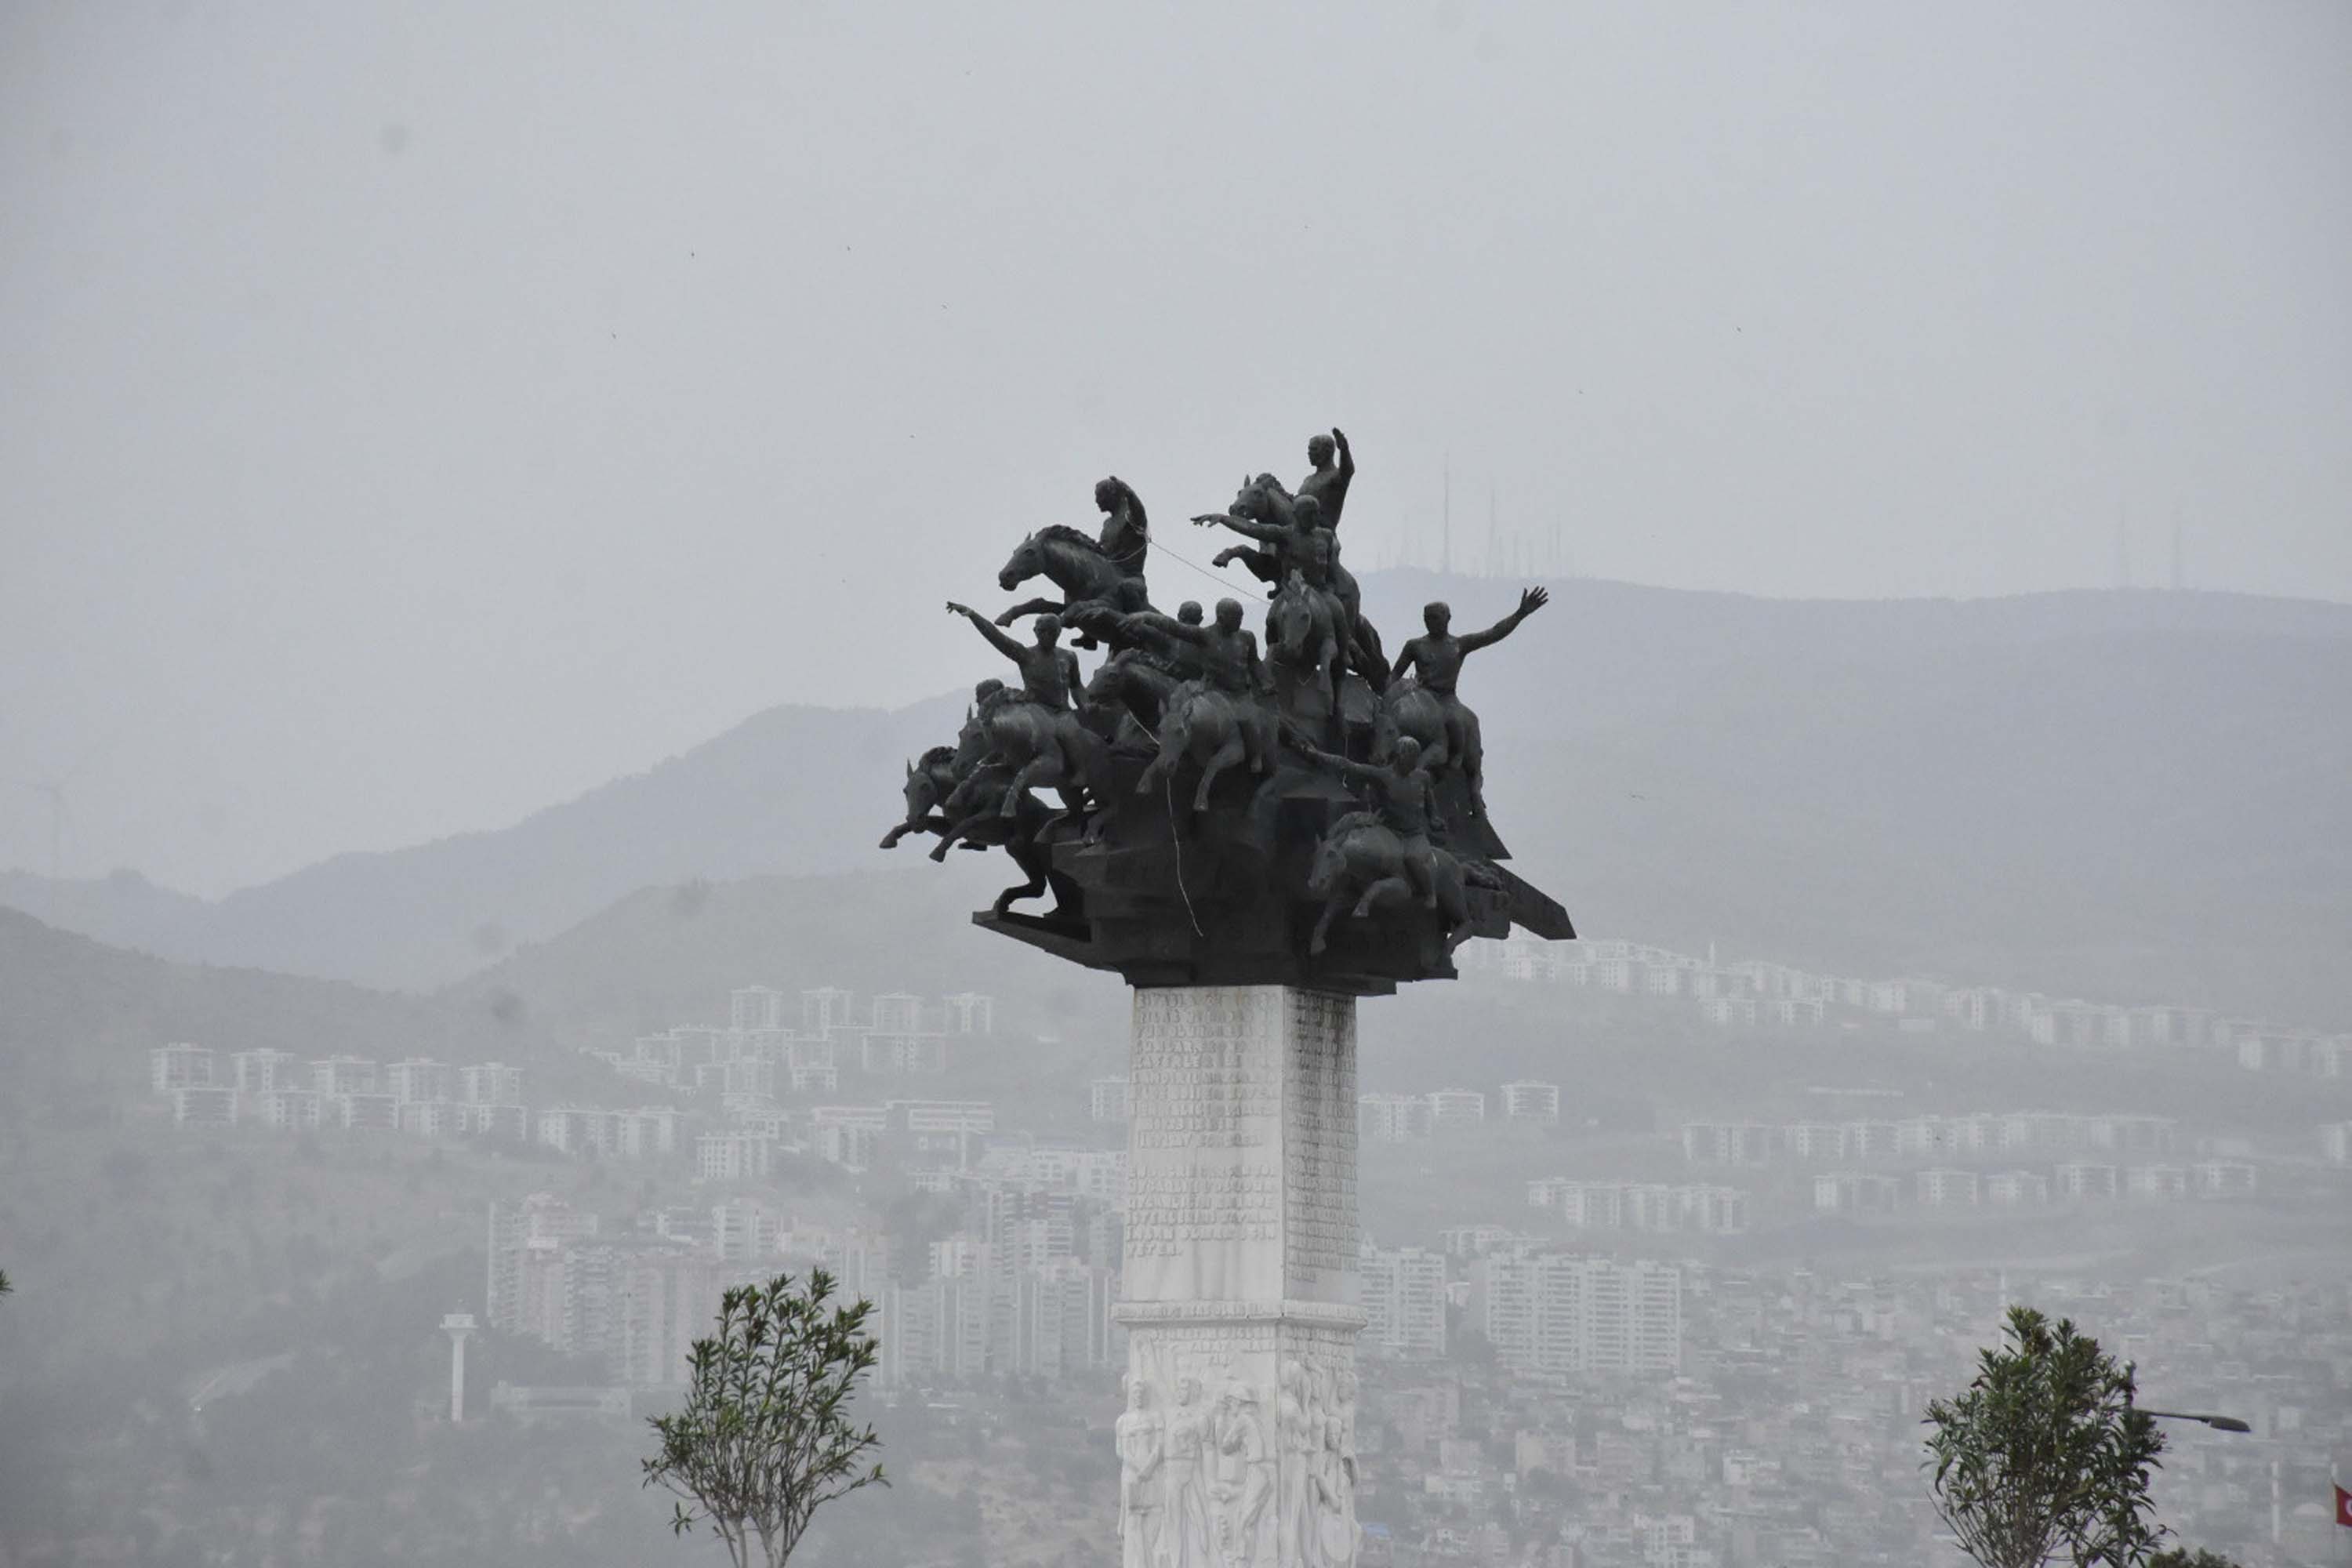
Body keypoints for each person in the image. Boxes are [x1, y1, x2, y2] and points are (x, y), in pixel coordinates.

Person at [1387, 586, 1548, 808]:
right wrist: (1387, 694)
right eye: (1427, 618)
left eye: (1435, 618)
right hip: (1422, 694)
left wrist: (1521, 613)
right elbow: (1396, 672)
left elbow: (1493, 633)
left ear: (1447, 619)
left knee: (1458, 721)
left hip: (1446, 699)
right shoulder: (1415, 645)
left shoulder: (1458, 645)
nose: (1430, 622)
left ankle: (1463, 769)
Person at [1303, 735, 1445, 909]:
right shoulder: (1383, 775)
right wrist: (1317, 755)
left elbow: (1429, 799)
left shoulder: (1422, 777)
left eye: (1416, 758)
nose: (1414, 763)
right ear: (1400, 755)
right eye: (1411, 758)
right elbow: (1349, 766)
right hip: (1388, 829)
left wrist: (1434, 818)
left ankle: (1430, 894)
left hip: (1413, 834)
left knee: (1412, 858)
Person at [946, 601, 1085, 714]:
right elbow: (998, 638)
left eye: (1051, 631)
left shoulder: (1069, 657)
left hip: (1064, 716)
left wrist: (1085, 705)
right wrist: (973, 616)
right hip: (1037, 715)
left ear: (1059, 632)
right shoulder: (1026, 655)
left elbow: (1076, 686)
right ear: (1035, 631)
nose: (1047, 635)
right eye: (1042, 631)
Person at [1296, 426, 1354, 530]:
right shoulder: (1308, 480)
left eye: (1314, 449)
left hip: (1323, 531)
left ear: (1327, 452)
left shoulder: (1335, 477)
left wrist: (1344, 450)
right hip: (1300, 529)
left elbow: (1347, 470)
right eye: (1309, 450)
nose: (1309, 453)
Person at [1094, 475, 1149, 579]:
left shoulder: (1131, 515)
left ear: (1112, 494)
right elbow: (1105, 551)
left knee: (1129, 588)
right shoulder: (1107, 524)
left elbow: (1139, 512)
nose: (1097, 501)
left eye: (1100, 496)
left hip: (1131, 577)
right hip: (1109, 574)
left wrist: (1129, 493)